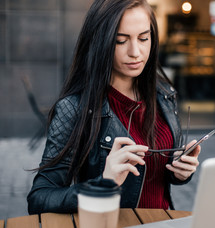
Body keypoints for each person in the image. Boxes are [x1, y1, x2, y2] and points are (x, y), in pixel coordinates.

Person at [27, 0, 200, 214]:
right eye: (121, 41)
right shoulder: (74, 108)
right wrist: (103, 183)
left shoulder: (164, 95)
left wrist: (179, 172)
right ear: (101, 41)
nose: (135, 52)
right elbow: (39, 198)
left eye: (144, 38)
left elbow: (156, 178)